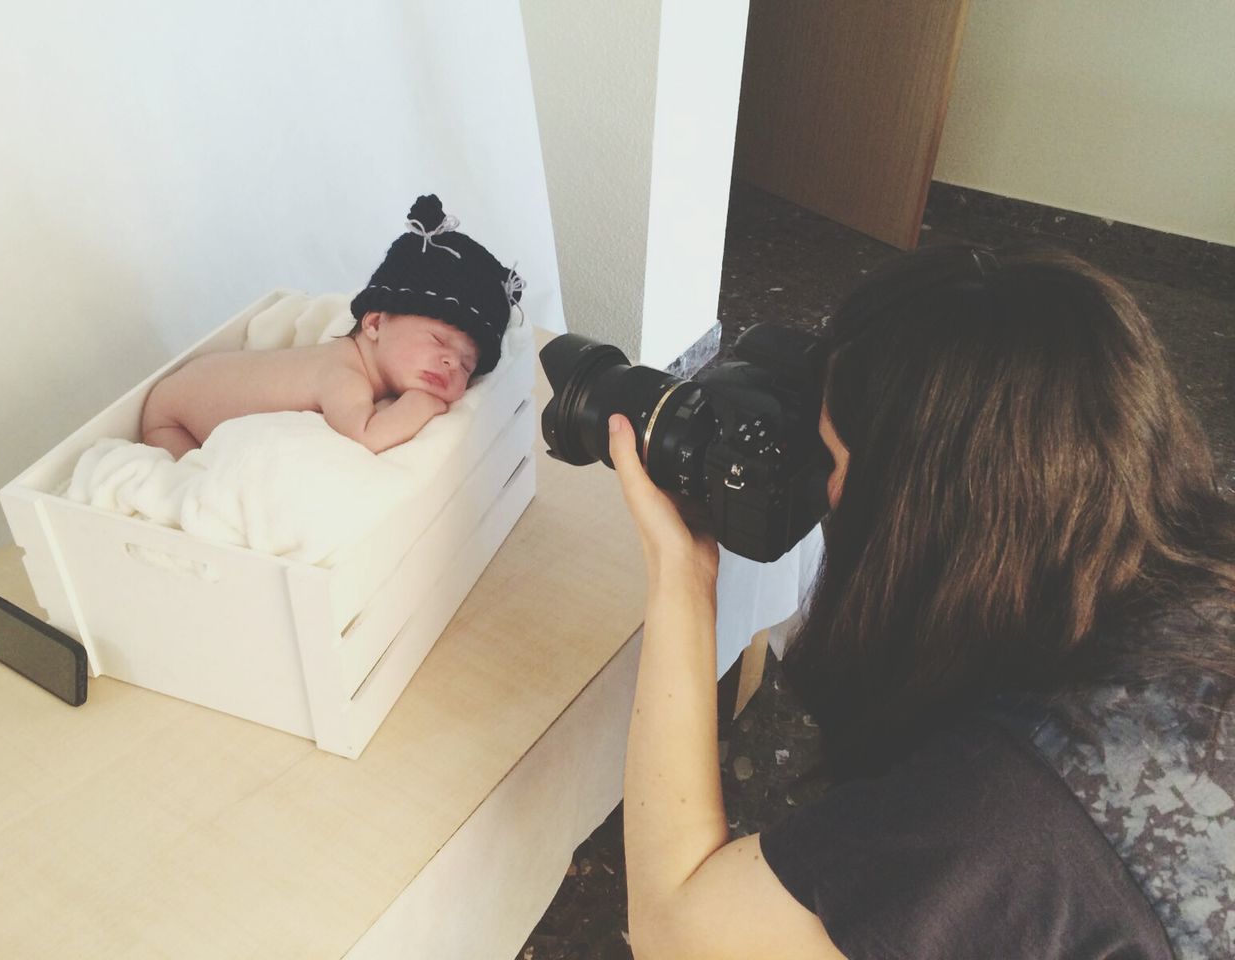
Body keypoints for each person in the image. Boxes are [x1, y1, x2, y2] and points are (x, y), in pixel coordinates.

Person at [608, 244, 1235, 960]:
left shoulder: (1002, 817)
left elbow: (676, 932)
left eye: (836, 464)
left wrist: (682, 578)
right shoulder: (1195, 591)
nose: (828, 495)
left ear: (918, 520)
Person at [141, 194, 523, 459]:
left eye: (467, 365)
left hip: (199, 381)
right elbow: (367, 434)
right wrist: (423, 403)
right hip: (173, 416)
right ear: (374, 323)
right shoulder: (342, 373)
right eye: (439, 340)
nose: (451, 364)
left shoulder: (359, 366)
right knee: (201, 478)